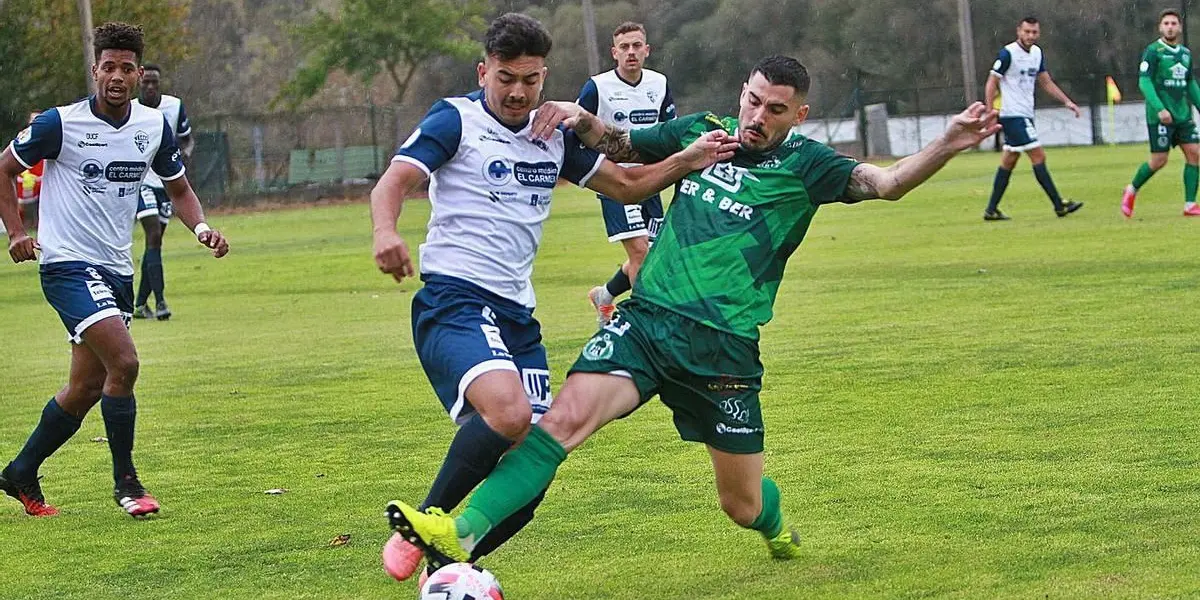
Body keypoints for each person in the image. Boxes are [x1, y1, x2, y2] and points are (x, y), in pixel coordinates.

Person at [383, 55, 1000, 569]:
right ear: (743, 94)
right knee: (557, 426)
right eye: (753, 101)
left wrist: (946, 142)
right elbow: (623, 146)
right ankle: (456, 535)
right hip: (646, 325)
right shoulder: (704, 131)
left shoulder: (810, 165)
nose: (757, 117)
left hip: (723, 350)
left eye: (775, 109)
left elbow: (886, 184)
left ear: (799, 115)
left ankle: (773, 521)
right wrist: (581, 117)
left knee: (742, 505)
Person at [370, 13, 735, 582]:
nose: (518, 92)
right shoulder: (456, 119)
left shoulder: (554, 135)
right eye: (506, 77)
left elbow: (628, 183)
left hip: (518, 316)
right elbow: (393, 181)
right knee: (509, 413)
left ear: (546, 77)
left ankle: (448, 567)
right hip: (454, 299)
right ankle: (431, 519)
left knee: (531, 477)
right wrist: (385, 232)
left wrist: (687, 160)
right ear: (483, 71)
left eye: (532, 80)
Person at [0, 22, 229, 518]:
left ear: (139, 72)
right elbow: (3, 169)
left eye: (128, 67)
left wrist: (201, 228)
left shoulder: (152, 126)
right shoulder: (59, 124)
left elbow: (179, 189)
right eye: (109, 67)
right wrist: (18, 232)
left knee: (83, 388)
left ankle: (20, 471)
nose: (118, 76)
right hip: (66, 266)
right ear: (95, 71)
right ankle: (127, 483)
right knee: (124, 364)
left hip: (116, 271)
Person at [578, 21, 676, 325]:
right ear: (614, 52)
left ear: (647, 50)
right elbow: (577, 128)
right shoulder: (597, 87)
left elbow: (669, 132)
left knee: (652, 254)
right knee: (640, 254)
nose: (631, 52)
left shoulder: (659, 84)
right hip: (615, 182)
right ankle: (646, 323)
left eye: (636, 46)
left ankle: (605, 295)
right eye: (624, 47)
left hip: (650, 181)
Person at [982, 16, 1083, 221]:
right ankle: (1058, 205)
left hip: (1025, 113)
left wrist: (1067, 101)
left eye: (1034, 32)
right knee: (1039, 156)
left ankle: (991, 210)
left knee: (1009, 160)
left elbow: (1045, 82)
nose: (1030, 36)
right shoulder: (1008, 53)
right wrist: (990, 112)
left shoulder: (1037, 53)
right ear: (1018, 31)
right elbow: (992, 82)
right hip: (1013, 115)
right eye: (1027, 32)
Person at [1122, 8, 1200, 218]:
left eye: (1174, 23)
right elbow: (1144, 82)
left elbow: (1190, 83)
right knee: (1159, 160)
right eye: (1166, 23)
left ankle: (1190, 204)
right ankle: (1131, 190)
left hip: (1183, 115)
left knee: (1195, 154)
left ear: (1180, 27)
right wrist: (1160, 109)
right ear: (1160, 27)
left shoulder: (1185, 54)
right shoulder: (1153, 51)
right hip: (1160, 117)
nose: (1170, 27)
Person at [132, 63, 194, 320]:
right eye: (145, 82)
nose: (149, 87)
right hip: (141, 182)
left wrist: (184, 156)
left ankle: (139, 305)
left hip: (166, 184)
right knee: (153, 235)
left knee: (154, 245)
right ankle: (160, 302)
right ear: (139, 82)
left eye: (154, 82)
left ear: (159, 84)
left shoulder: (174, 106)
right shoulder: (130, 110)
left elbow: (187, 138)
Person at [16, 112, 43, 231]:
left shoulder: (48, 135)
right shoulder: (24, 135)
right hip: (26, 177)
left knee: (40, 209)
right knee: (22, 209)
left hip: (42, 178)